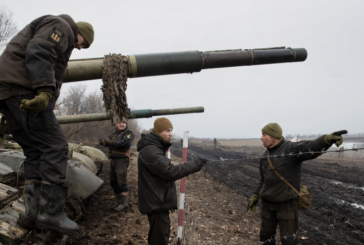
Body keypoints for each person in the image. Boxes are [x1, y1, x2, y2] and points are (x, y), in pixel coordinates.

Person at [0, 15, 94, 234]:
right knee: (56, 147)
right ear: (78, 32)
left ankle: (32, 214)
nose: (79, 48)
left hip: (8, 91)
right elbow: (40, 51)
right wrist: (44, 90)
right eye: (82, 43)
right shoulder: (61, 26)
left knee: (35, 151)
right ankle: (51, 214)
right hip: (23, 90)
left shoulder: (52, 27)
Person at [247, 123, 344, 245]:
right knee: (265, 237)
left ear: (274, 136)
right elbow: (263, 180)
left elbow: (310, 147)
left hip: (287, 206)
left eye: (264, 134)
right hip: (267, 205)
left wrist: (326, 140)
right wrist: (256, 196)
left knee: (289, 240)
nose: (261, 138)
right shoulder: (264, 156)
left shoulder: (290, 149)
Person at [137, 117, 207, 245]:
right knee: (159, 240)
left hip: (156, 200)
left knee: (158, 237)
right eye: (167, 130)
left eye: (171, 130)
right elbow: (170, 172)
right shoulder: (151, 151)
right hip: (156, 202)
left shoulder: (153, 147)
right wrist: (197, 164)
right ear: (158, 132)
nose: (171, 133)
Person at [100, 117, 134, 211]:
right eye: (119, 123)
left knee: (121, 180)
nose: (121, 124)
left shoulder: (128, 133)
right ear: (116, 124)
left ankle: (124, 204)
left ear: (126, 123)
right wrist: (104, 142)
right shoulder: (114, 133)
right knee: (113, 181)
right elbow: (109, 141)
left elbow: (124, 143)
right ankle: (119, 202)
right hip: (113, 159)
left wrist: (111, 142)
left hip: (122, 159)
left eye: (123, 122)